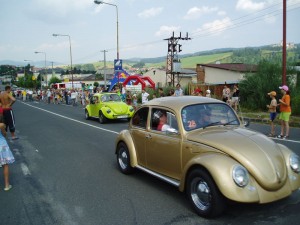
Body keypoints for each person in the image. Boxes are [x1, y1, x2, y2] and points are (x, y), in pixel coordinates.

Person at [0, 116, 15, 191]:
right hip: (2, 146)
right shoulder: (1, 125)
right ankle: (6, 185)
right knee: (5, 165)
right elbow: (4, 134)